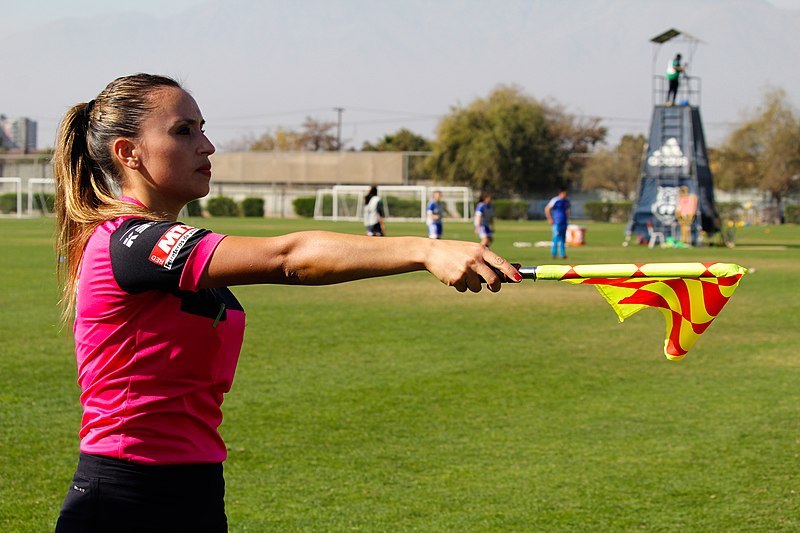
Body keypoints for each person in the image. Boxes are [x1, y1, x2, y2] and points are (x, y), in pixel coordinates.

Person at [51, 73, 522, 532]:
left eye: (203, 128)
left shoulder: (166, 246)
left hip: (193, 488)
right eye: (183, 131)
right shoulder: (129, 242)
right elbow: (288, 258)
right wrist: (425, 250)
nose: (207, 145)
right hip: (124, 499)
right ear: (128, 153)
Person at [545, 187, 571, 259]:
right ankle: (554, 254)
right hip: (557, 222)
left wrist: (567, 217)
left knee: (563, 239)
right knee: (556, 238)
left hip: (564, 222)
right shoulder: (555, 200)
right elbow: (547, 209)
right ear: (561, 193)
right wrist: (550, 218)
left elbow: (568, 209)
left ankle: (563, 254)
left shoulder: (566, 201)